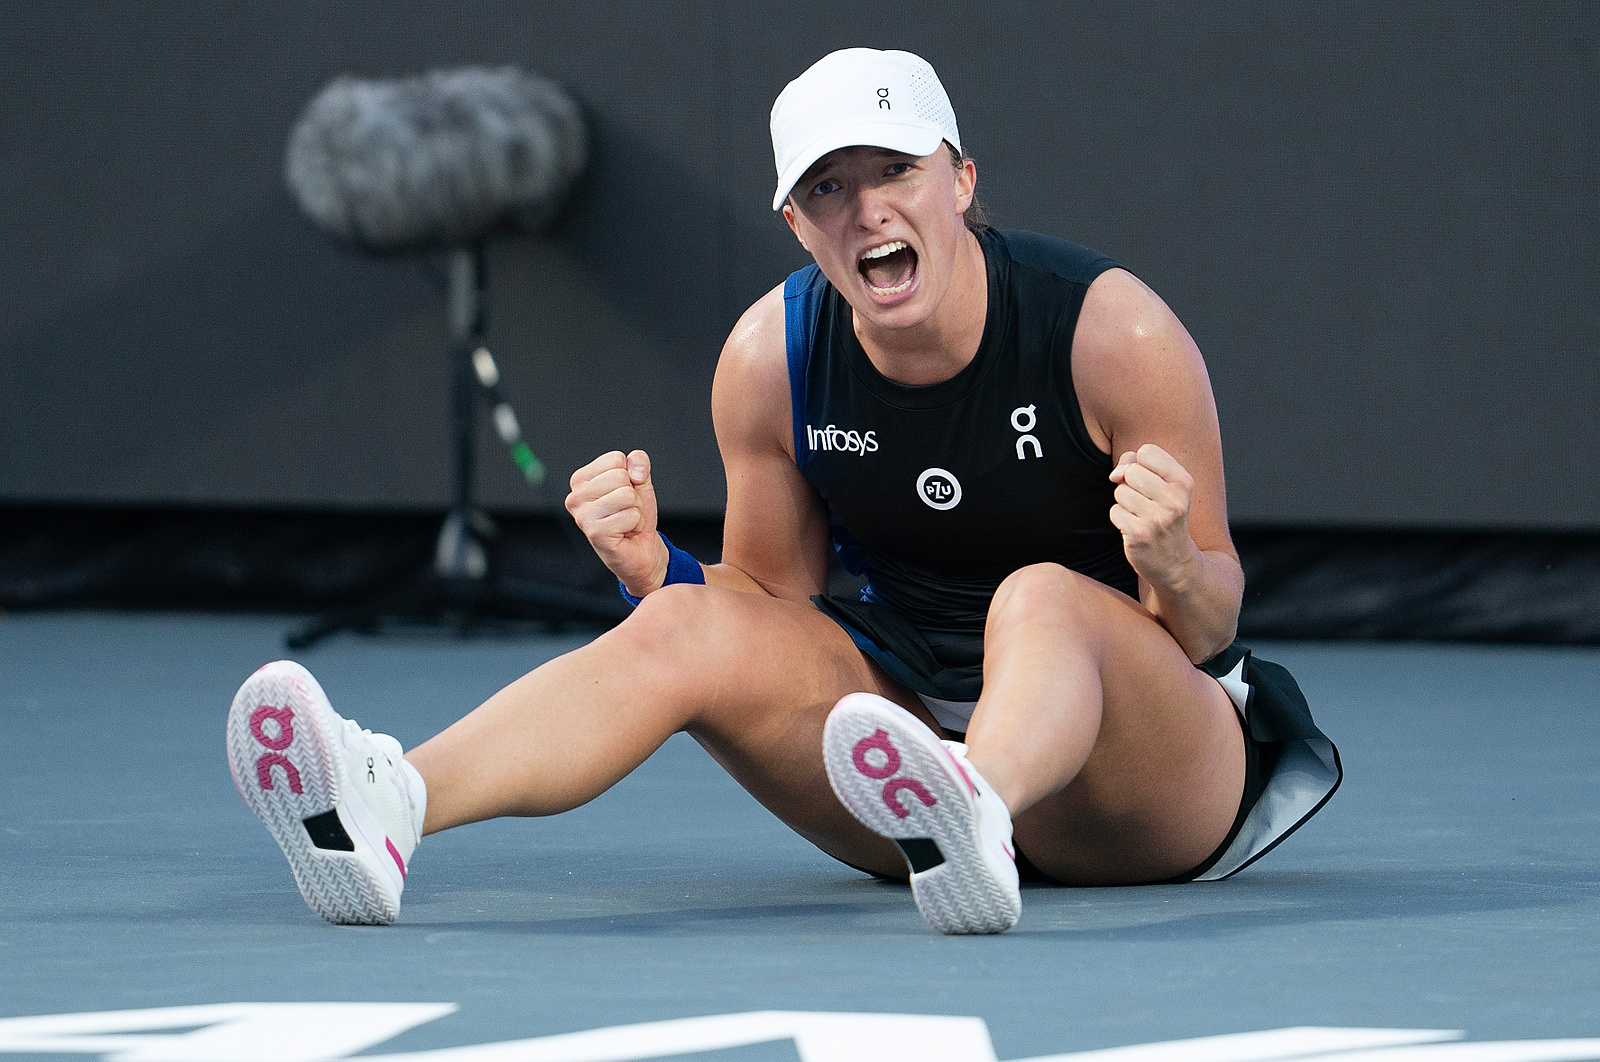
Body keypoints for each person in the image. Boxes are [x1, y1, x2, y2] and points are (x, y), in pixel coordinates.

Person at [225, 48, 1340, 935]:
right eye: (826, 189)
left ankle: (974, 806)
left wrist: (1173, 564)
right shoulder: (773, 356)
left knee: (1037, 597)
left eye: (894, 171)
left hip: (1140, 775)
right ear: (796, 224)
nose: (865, 212)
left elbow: (1209, 628)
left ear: (959, 179)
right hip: (897, 742)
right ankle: (383, 808)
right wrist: (655, 572)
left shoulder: (1111, 331)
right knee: (683, 623)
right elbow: (772, 604)